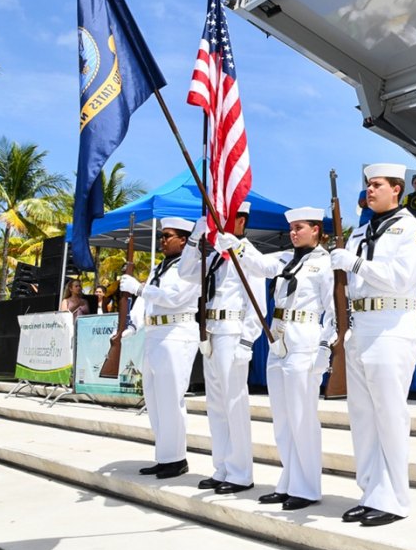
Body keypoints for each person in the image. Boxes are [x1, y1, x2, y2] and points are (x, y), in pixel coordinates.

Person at [329, 163, 416, 527]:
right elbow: (346, 286)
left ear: (396, 189)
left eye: (377, 185)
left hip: (393, 325)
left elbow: (400, 279)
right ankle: (372, 491)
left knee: (389, 415)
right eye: (368, 185)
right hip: (359, 328)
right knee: (362, 418)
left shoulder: (412, 231)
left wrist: (355, 264)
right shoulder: (359, 232)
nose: (370, 191)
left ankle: (395, 498)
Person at [216, 207, 334, 511]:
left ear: (317, 230)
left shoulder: (326, 263)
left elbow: (334, 311)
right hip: (278, 336)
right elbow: (258, 265)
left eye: (300, 227)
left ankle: (307, 487)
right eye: (292, 228)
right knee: (282, 418)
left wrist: (326, 347)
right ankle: (288, 482)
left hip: (306, 335)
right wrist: (238, 245)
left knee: (302, 416)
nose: (294, 232)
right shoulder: (284, 259)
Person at [179, 201, 265, 495]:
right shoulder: (216, 257)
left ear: (241, 221)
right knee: (215, 405)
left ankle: (241, 473)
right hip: (211, 332)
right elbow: (185, 272)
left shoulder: (249, 256)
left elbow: (257, 304)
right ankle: (222, 468)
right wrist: (194, 238)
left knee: (233, 404)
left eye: (226, 218)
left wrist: (246, 341)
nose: (220, 223)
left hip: (232, 331)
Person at [119, 217, 203, 480]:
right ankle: (165, 455)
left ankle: (177, 459)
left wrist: (140, 289)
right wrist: (132, 324)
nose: (163, 241)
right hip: (155, 333)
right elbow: (146, 301)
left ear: (183, 239)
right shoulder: (159, 267)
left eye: (167, 236)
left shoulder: (192, 268)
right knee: (154, 399)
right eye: (162, 236)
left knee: (171, 399)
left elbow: (175, 298)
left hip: (177, 333)